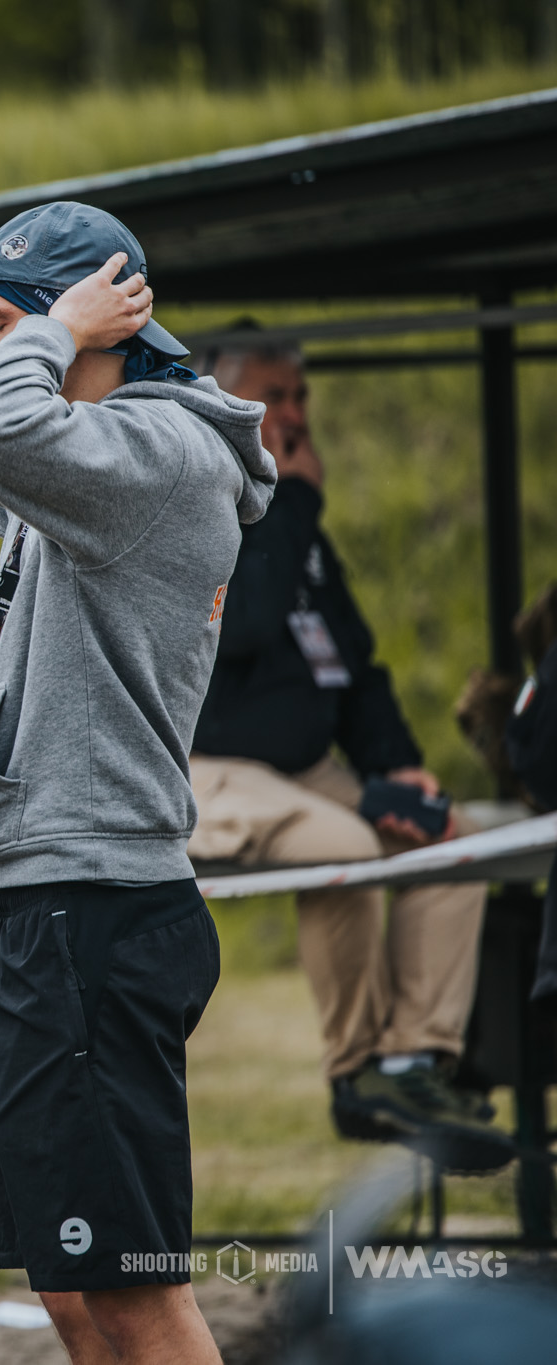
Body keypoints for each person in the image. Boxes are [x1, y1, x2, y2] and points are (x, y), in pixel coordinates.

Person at [0, 202, 276, 1365]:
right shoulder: (74, 451)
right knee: (69, 1286)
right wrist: (30, 333)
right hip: (40, 909)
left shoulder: (151, 458)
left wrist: (51, 329)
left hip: (94, 916)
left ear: (93, 323)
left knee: (131, 1293)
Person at [189, 324, 508, 1165]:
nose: (296, 416)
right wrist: (295, 502)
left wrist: (396, 764)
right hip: (206, 772)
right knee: (348, 849)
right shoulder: (192, 494)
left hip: (307, 771)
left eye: (300, 397)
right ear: (223, 404)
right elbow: (244, 626)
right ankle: (357, 1071)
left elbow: (353, 667)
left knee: (452, 841)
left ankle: (412, 1062)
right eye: (275, 398)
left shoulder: (298, 527)